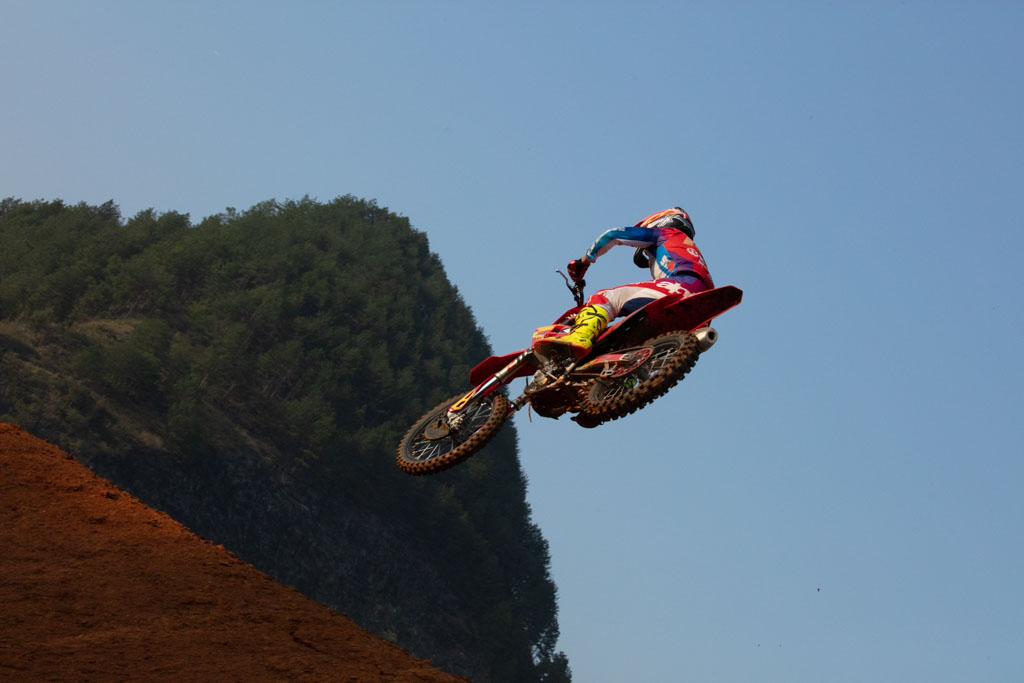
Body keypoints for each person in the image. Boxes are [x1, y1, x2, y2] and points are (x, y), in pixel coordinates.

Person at [537, 207, 714, 357]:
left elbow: (612, 235)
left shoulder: (667, 233)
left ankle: (579, 336)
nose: (647, 255)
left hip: (680, 288)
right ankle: (623, 379)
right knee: (633, 349)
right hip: (702, 315)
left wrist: (583, 262)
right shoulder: (689, 250)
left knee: (605, 297)